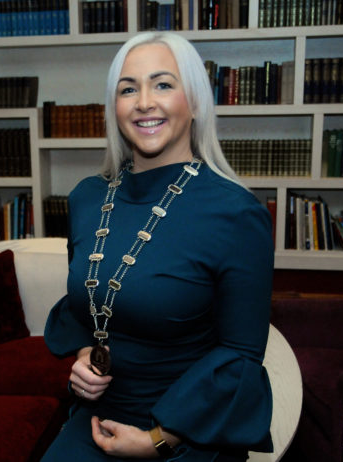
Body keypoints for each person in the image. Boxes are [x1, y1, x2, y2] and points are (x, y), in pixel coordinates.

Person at [42, 31, 274, 462]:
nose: (144, 102)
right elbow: (88, 304)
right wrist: (84, 355)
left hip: (190, 433)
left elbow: (240, 354)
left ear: (196, 102)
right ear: (114, 107)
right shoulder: (86, 198)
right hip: (98, 420)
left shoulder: (237, 215)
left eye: (163, 84)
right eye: (128, 89)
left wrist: (158, 440)